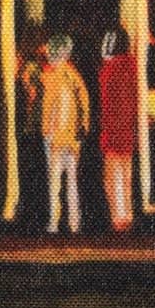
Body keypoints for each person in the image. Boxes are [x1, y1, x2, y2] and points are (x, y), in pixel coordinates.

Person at [38, 35, 90, 233]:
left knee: (54, 182)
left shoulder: (51, 77)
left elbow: (47, 107)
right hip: (73, 137)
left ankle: (54, 221)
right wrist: (83, 126)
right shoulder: (74, 76)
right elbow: (84, 103)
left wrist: (45, 130)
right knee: (72, 180)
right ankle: (74, 222)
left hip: (55, 137)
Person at [98, 28, 140, 231]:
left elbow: (106, 104)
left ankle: (119, 216)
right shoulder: (133, 67)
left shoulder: (109, 70)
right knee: (126, 173)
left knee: (113, 175)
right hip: (129, 129)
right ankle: (127, 214)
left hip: (112, 130)